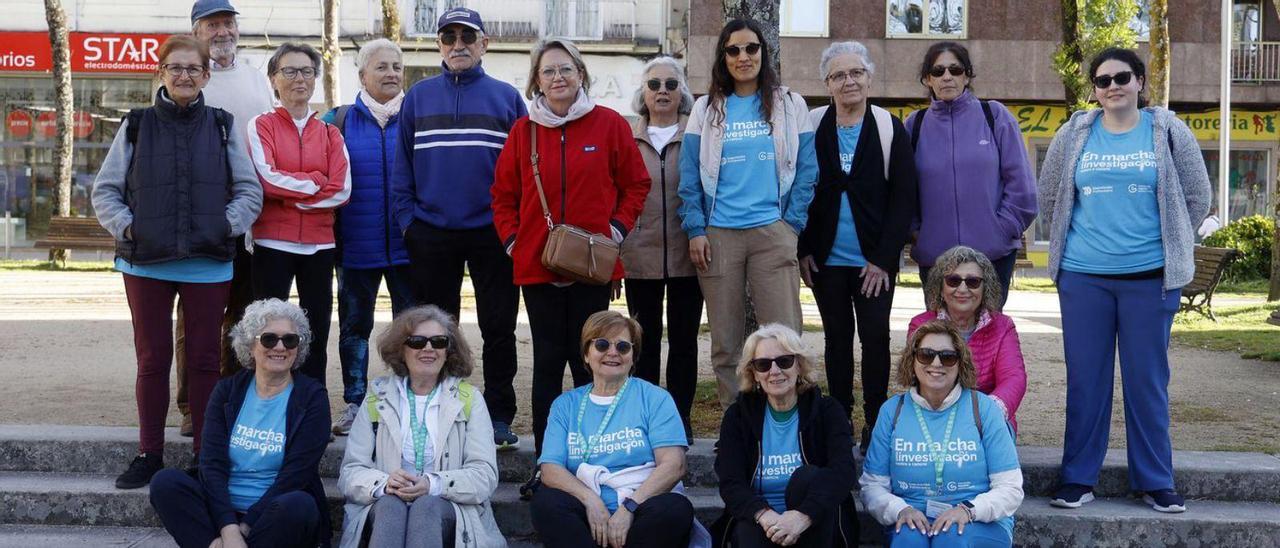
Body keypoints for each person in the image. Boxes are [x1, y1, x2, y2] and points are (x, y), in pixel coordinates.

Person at [1038, 47, 1211, 513]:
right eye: (1102, 80)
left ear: (1139, 82)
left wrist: (1172, 240)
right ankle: (1077, 477)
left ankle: (1155, 480)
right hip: (1083, 278)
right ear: (1094, 90)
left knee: (1147, 381)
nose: (1112, 86)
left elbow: (1197, 194)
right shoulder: (1074, 133)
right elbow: (1050, 194)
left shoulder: (1169, 130)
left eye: (1121, 77)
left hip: (1150, 279)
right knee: (1086, 381)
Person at [91, 34, 262, 489]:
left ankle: (206, 458)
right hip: (145, 262)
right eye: (176, 67)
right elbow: (105, 191)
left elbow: (249, 191)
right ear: (161, 73)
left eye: (193, 68)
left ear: (206, 75)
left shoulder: (223, 126)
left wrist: (225, 227)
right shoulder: (136, 125)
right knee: (152, 360)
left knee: (206, 360)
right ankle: (149, 453)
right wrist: (129, 228)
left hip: (207, 261)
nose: (185, 75)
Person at [490, 38, 650, 467]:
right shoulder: (523, 132)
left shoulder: (610, 124)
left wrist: (615, 230)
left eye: (565, 69)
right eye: (548, 71)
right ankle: (549, 462)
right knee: (546, 367)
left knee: (592, 365)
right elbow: (502, 195)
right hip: (537, 269)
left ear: (581, 73)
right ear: (536, 81)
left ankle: (594, 459)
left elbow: (636, 184)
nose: (557, 78)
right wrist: (512, 241)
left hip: (593, 268)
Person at [391, 7, 528, 451]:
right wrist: (409, 223)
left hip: (493, 233)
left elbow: (528, 169)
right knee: (435, 331)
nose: (458, 45)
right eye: (448, 37)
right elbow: (402, 167)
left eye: (467, 37)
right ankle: (441, 410)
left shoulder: (507, 98)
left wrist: (514, 227)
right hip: (431, 232)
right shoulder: (417, 96)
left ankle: (499, 416)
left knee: (499, 327)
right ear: (439, 46)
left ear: (484, 43)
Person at [678, 19, 817, 411]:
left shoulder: (790, 104)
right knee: (726, 343)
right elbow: (689, 175)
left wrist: (790, 226)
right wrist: (696, 228)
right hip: (718, 235)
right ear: (723, 57)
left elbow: (807, 170)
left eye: (751, 48)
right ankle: (738, 424)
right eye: (734, 50)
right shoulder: (706, 108)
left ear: (763, 52)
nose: (743, 57)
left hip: (773, 232)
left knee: (785, 338)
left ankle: (791, 422)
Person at [799, 41, 918, 452]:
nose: (848, 81)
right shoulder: (813, 124)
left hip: (874, 262)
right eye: (838, 75)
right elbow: (800, 189)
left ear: (868, 77)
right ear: (827, 84)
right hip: (825, 259)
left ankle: (875, 421)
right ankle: (840, 419)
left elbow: (904, 197)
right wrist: (804, 248)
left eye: (855, 73)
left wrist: (884, 260)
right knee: (835, 339)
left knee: (875, 339)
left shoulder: (888, 126)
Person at [149, 298, 331, 548]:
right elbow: (211, 463)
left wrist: (243, 529)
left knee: (299, 505)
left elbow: (296, 474)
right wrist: (227, 529)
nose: (280, 347)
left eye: (290, 340)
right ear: (250, 345)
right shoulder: (227, 391)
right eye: (269, 339)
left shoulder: (312, 397)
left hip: (272, 515)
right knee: (165, 482)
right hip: (220, 512)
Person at [177, 0, 277, 438]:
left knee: (243, 313)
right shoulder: (190, 78)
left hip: (253, 216)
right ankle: (188, 405)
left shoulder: (258, 79)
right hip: (200, 216)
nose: (222, 31)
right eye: (212, 23)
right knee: (197, 314)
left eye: (228, 22)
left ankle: (233, 397)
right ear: (197, 31)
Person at [337, 305, 504, 548]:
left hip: (450, 511)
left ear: (449, 351)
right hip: (385, 509)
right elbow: (351, 471)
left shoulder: (469, 399)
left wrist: (434, 483)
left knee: (426, 505)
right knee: (390, 505)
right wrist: (385, 484)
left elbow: (484, 475)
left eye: (438, 342)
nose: (428, 348)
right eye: (416, 341)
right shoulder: (376, 397)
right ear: (401, 349)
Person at [530, 310, 701, 548]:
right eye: (601, 344)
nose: (612, 353)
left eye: (623, 347)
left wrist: (629, 507)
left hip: (640, 507)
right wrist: (591, 501)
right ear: (587, 355)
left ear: (633, 356)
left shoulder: (655, 398)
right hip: (586, 510)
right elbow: (550, 469)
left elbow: (674, 465)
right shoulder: (565, 405)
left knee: (674, 509)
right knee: (546, 503)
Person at [860, 320, 1023, 548]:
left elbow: (1010, 488)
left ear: (960, 363)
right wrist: (901, 509)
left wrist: (969, 510)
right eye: (926, 355)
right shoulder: (892, 411)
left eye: (948, 356)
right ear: (912, 360)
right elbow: (872, 486)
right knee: (908, 541)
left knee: (951, 539)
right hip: (912, 517)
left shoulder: (983, 409)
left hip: (977, 519)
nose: (936, 363)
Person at [323, 39, 415, 436]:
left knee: (410, 330)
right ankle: (356, 402)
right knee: (354, 329)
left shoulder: (418, 118)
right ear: (361, 75)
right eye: (381, 67)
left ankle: (405, 399)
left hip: (409, 248)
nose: (391, 73)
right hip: (355, 246)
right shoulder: (337, 121)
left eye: (397, 66)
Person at [247, 42, 352, 385]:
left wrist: (294, 194)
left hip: (319, 247)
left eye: (307, 71)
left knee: (315, 333)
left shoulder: (330, 132)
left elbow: (342, 189)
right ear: (273, 79)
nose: (299, 79)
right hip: (272, 243)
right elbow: (266, 179)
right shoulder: (261, 126)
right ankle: (267, 399)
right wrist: (315, 182)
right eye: (289, 71)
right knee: (267, 334)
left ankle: (311, 406)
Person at [906, 41, 1037, 307]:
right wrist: (917, 233)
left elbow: (1021, 187)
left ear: (966, 75)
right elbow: (903, 191)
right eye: (938, 70)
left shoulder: (995, 116)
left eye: (955, 69)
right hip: (935, 259)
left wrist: (1000, 230)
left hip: (992, 256)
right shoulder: (914, 125)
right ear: (928, 79)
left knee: (988, 339)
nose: (947, 76)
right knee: (942, 341)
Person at [712, 324, 859, 548]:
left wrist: (802, 517)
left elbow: (843, 471)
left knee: (808, 477)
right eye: (763, 364)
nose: (774, 371)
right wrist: (765, 515)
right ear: (754, 373)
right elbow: (731, 482)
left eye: (784, 361)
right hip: (761, 520)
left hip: (814, 518)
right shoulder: (738, 416)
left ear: (799, 365)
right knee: (748, 533)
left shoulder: (827, 410)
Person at [619, 55, 702, 443]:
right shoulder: (625, 137)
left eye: (671, 84)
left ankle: (679, 418)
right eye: (655, 85)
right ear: (643, 93)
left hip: (690, 255)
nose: (663, 91)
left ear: (682, 92)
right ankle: (648, 418)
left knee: (684, 343)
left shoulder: (698, 134)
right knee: (643, 342)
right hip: (639, 255)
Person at [909, 246, 1027, 433]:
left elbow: (1014, 379)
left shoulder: (1004, 326)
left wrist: (982, 416)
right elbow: (921, 380)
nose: (962, 289)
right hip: (934, 417)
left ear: (984, 288)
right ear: (940, 287)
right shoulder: (920, 325)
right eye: (953, 280)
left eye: (972, 282)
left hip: (989, 422)